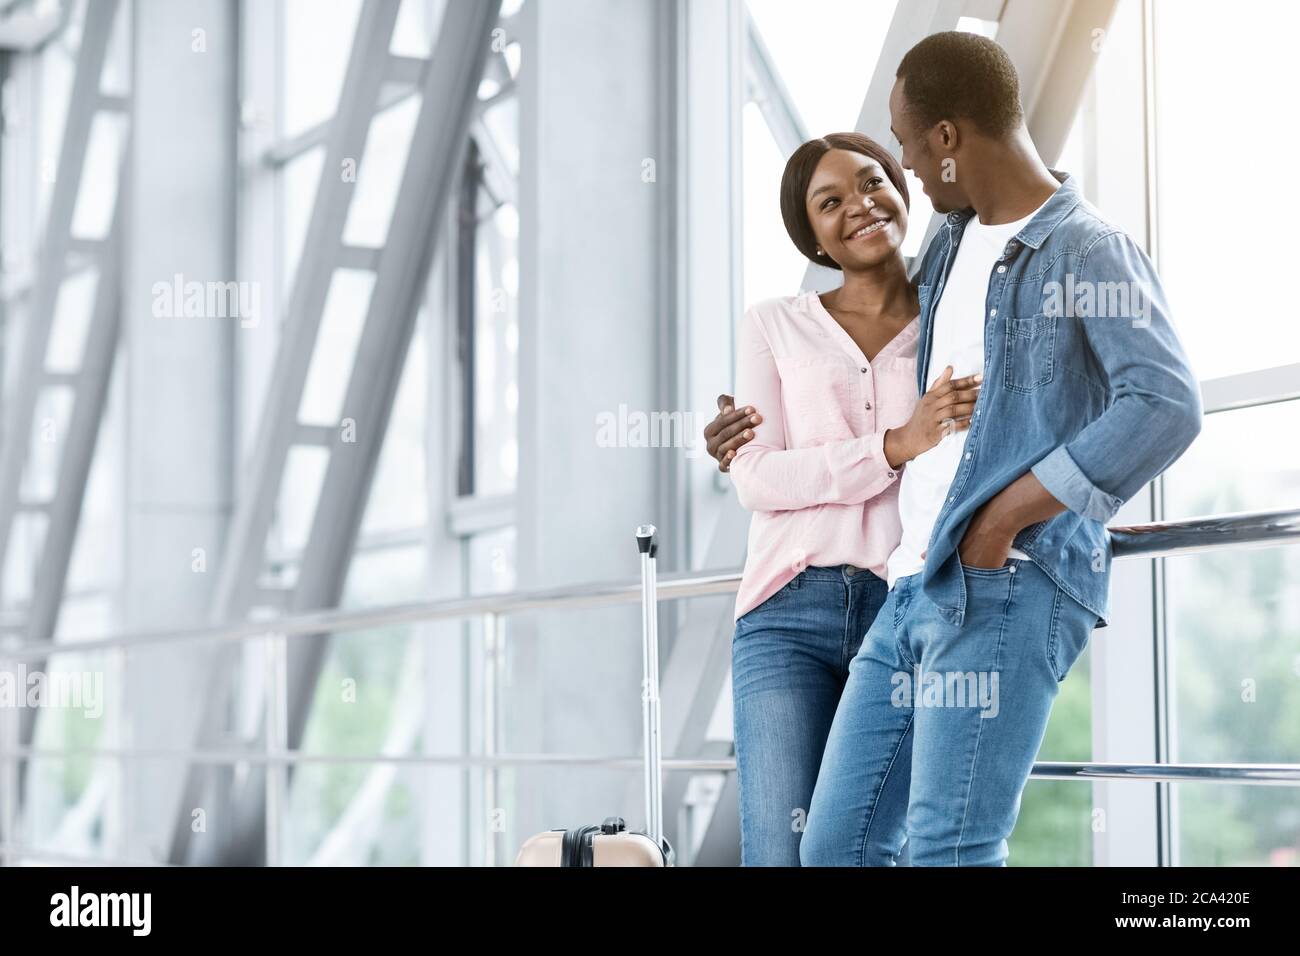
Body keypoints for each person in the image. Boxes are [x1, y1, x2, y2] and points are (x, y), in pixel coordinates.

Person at [708, 32, 1202, 866]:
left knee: (951, 849)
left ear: (945, 140)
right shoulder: (950, 240)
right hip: (912, 585)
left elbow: (1165, 403)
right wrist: (738, 434)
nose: (898, 164)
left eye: (901, 143)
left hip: (999, 580)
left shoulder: (1086, 249)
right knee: (836, 848)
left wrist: (1002, 520)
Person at [723, 131, 981, 865]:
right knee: (778, 852)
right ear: (813, 235)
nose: (860, 206)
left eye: (873, 183)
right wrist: (893, 446)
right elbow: (759, 478)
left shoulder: (949, 322)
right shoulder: (772, 324)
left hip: (900, 609)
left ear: (902, 189)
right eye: (830, 202)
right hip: (783, 615)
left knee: (861, 847)